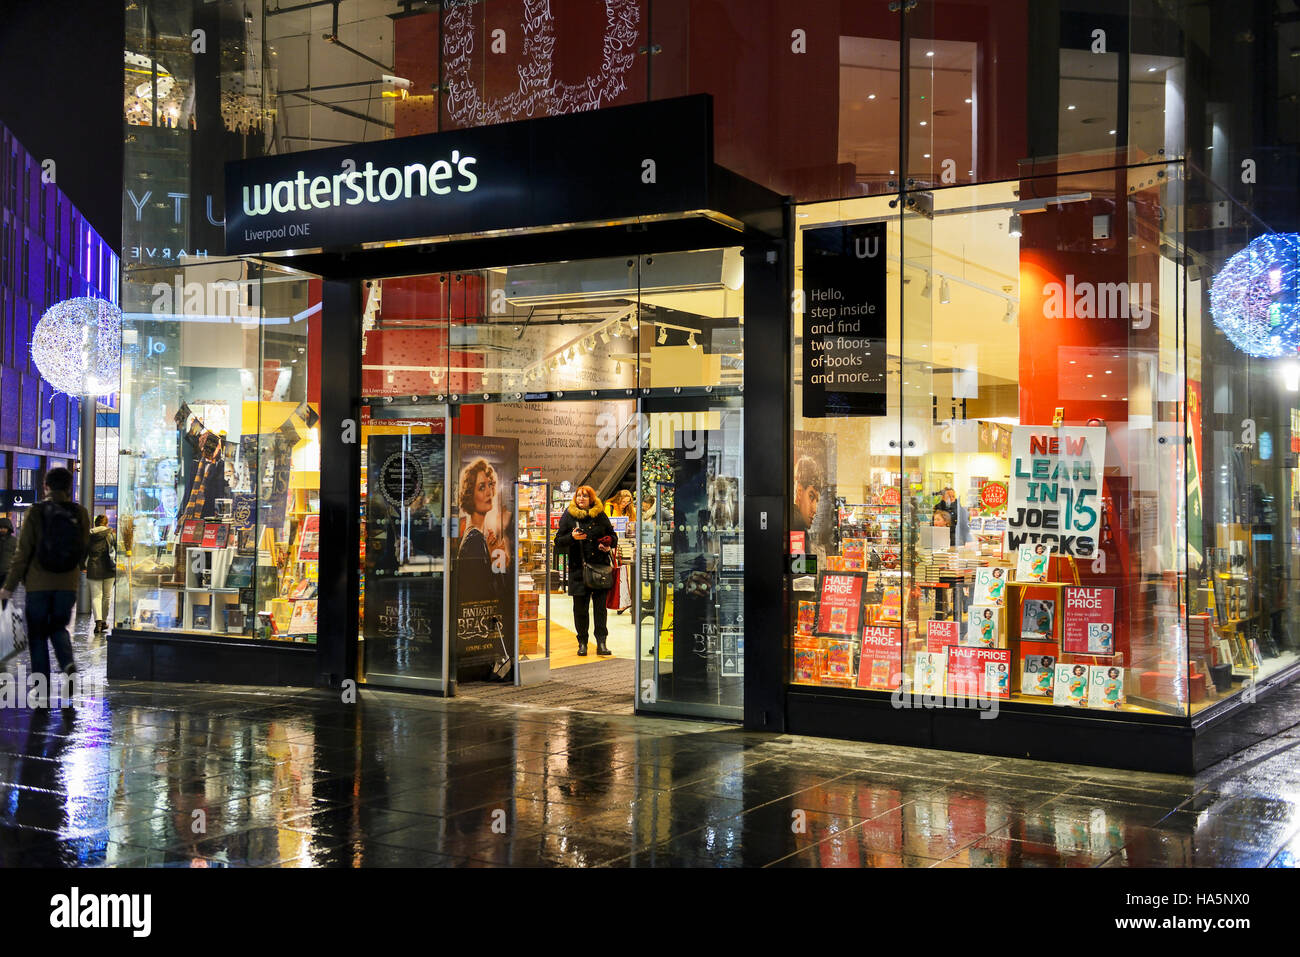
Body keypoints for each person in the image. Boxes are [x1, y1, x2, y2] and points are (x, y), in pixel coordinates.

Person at [0, 468, 91, 688]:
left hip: (37, 585)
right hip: (67, 585)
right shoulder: (80, 513)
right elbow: (84, 548)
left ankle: (42, 689)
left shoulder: (36, 511)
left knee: (38, 636)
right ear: (70, 488)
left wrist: (9, 586)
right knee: (59, 628)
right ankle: (68, 664)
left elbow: (22, 553)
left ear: (46, 487)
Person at [555, 484, 616, 657]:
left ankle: (601, 643)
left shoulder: (600, 515)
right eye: (579, 495)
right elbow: (558, 542)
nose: (581, 498)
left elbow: (613, 536)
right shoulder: (569, 516)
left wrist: (608, 544)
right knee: (580, 610)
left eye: (585, 496)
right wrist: (572, 538)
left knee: (600, 610)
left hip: (599, 569)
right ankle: (582, 643)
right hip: (578, 571)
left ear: (592, 498)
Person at [84, 515, 117, 634]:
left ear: (96, 523)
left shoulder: (89, 535)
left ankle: (98, 623)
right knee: (107, 596)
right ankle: (103, 621)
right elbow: (116, 550)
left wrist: (82, 566)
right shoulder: (111, 534)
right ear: (106, 524)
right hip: (109, 568)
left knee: (96, 596)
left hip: (93, 567)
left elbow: (84, 552)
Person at [0, 518, 14, 584]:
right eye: (0, 527)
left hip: (7, 572)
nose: (2, 529)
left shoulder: (14, 541)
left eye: (4, 527)